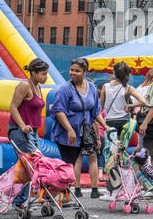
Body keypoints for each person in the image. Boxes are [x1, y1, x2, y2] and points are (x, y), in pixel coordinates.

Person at [50, 58, 109, 199]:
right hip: (68, 133)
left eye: (77, 71)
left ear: (85, 72)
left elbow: (95, 112)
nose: (73, 73)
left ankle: (85, 191)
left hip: (85, 132)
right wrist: (69, 129)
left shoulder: (92, 89)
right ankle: (69, 192)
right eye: (72, 70)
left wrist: (105, 126)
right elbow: (59, 111)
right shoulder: (64, 89)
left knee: (90, 157)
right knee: (71, 161)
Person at [8, 58, 49, 208]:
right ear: (33, 73)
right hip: (20, 131)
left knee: (28, 166)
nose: (46, 77)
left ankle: (21, 199)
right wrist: (23, 125)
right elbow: (13, 107)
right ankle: (19, 201)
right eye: (43, 74)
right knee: (29, 165)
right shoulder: (25, 85)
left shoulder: (37, 86)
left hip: (33, 131)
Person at [99, 62, 146, 138]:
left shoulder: (105, 86)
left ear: (114, 72)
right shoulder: (128, 88)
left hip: (109, 122)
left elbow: (100, 108)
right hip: (124, 122)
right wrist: (130, 105)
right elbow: (143, 102)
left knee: (111, 148)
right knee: (122, 147)